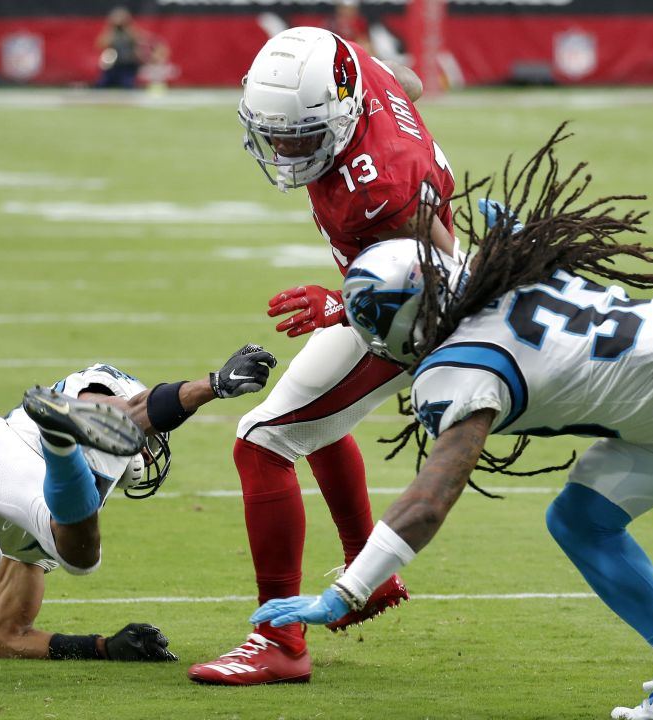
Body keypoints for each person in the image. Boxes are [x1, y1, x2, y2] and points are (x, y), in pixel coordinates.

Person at [251, 132, 653, 719]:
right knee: (581, 519)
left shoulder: (457, 371)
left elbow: (431, 498)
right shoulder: (498, 272)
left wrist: (345, 593)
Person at [187, 26, 458, 686]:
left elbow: (444, 277)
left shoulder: (384, 181)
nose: (283, 149)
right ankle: (372, 567)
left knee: (263, 442)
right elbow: (406, 84)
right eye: (274, 133)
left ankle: (278, 639)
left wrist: (344, 303)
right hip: (385, 285)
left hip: (412, 314)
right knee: (303, 421)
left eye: (300, 137)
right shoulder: (350, 73)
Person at [0, 332, 277, 661]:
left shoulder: (39, 536)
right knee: (75, 555)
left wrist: (102, 647)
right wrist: (213, 385)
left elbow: (6, 638)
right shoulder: (101, 406)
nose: (150, 448)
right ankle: (58, 442)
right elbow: (133, 410)